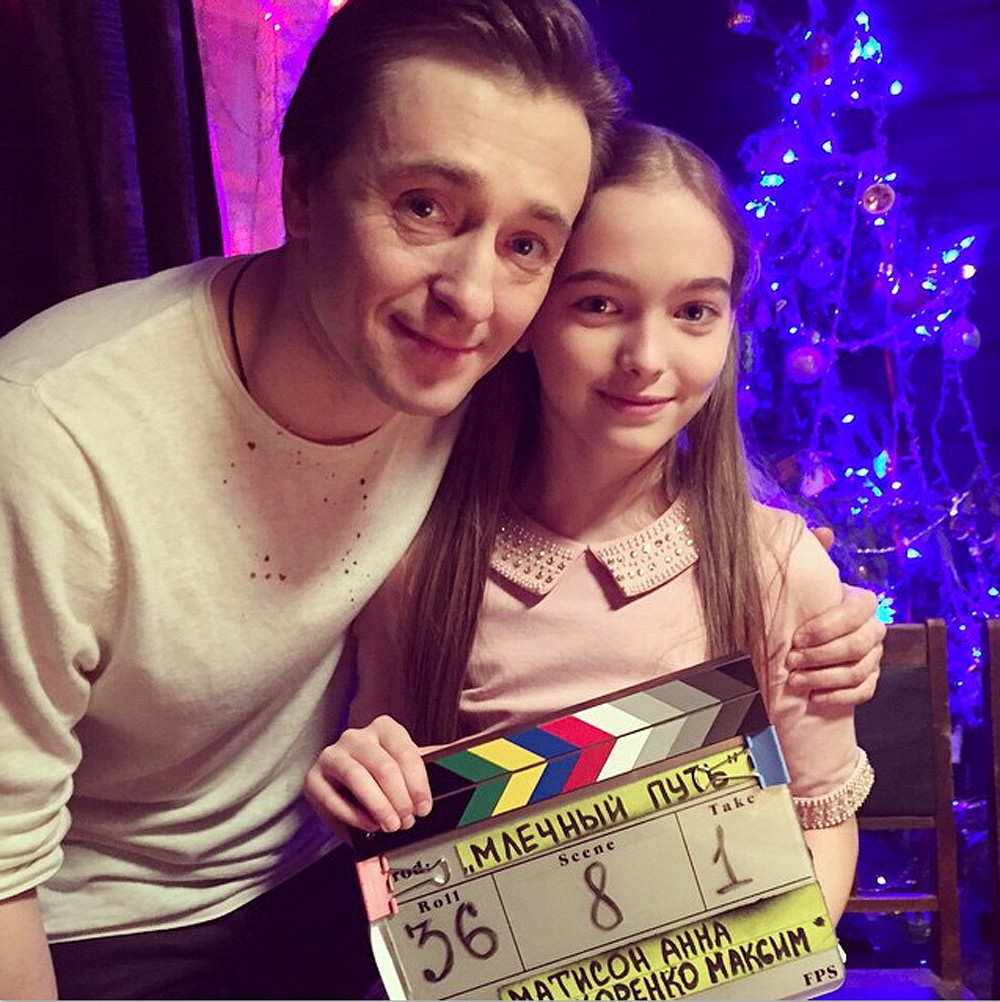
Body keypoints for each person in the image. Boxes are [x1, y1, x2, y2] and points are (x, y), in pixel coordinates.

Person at [0, 2, 878, 999]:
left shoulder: (459, 389)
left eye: (526, 244)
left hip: (360, 901)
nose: (471, 296)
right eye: (424, 206)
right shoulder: (48, 441)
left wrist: (821, 609)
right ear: (301, 184)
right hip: (119, 934)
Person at [307, 120, 876, 926]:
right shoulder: (419, 559)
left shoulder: (778, 568)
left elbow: (819, 818)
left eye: (694, 311)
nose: (646, 356)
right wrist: (366, 786)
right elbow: (396, 820)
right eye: (599, 304)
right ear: (530, 317)